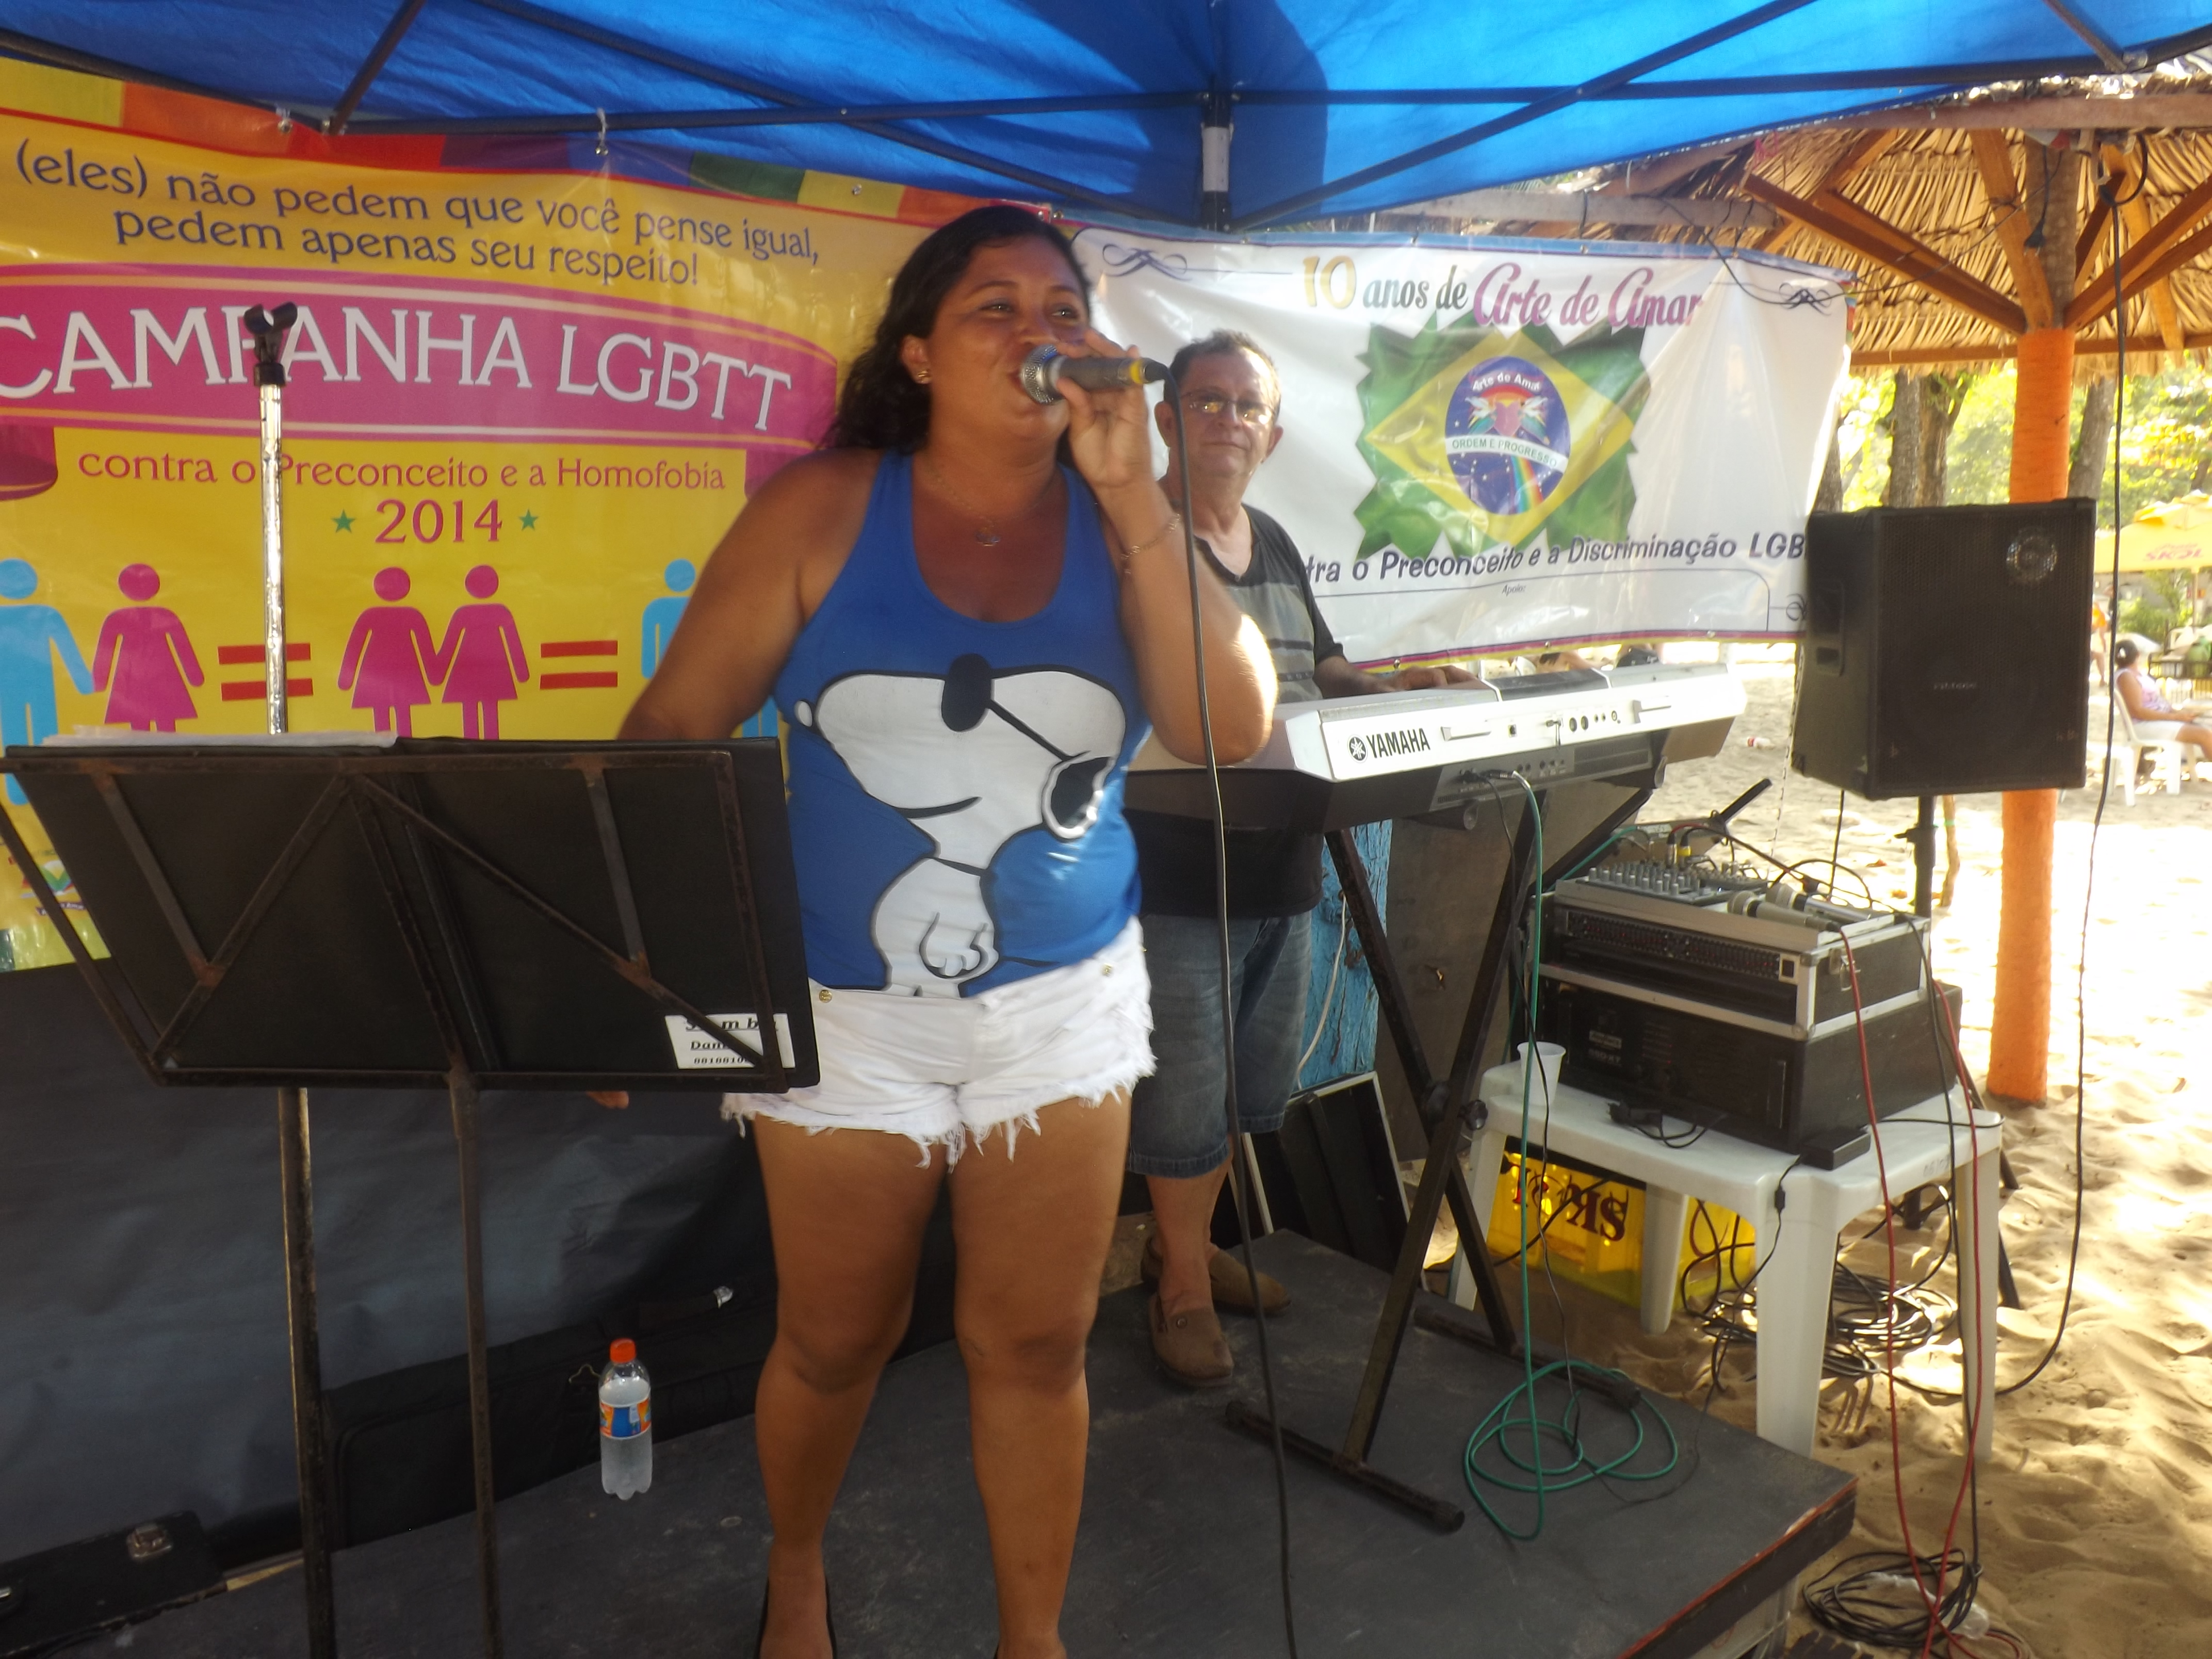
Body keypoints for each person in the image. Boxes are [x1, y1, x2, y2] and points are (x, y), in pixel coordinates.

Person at [607, 207, 1272, 1659]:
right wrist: (627, 982)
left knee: (1033, 1343)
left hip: (1062, 1007)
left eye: (1063, 308)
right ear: (916, 353)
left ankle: (1032, 1638)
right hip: (846, 1013)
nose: (1041, 331)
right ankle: (796, 1571)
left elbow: (1227, 724)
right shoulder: (822, 510)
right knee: (833, 1338)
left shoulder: (1124, 523)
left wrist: (1136, 495)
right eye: (995, 306)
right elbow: (666, 737)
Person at [1124, 330, 1476, 1386]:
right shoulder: (1134, 538)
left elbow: (1324, 667)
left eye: (1247, 406)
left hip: (1283, 869)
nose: (1227, 420)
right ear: (1165, 418)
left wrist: (1396, 693)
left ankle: (1184, 1251)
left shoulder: (1270, 540)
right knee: (1183, 1094)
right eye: (1206, 400)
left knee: (1242, 1088)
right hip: (1172, 873)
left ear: (1271, 436)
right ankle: (1181, 1294)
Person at [2116, 636, 2212, 770]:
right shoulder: (2126, 677)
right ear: (2138, 655)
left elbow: (2156, 703)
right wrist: (2175, 717)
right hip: (2144, 725)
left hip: (2158, 720)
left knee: (2205, 727)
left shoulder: (2136, 674)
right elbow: (2137, 711)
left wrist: (2180, 713)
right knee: (2205, 735)